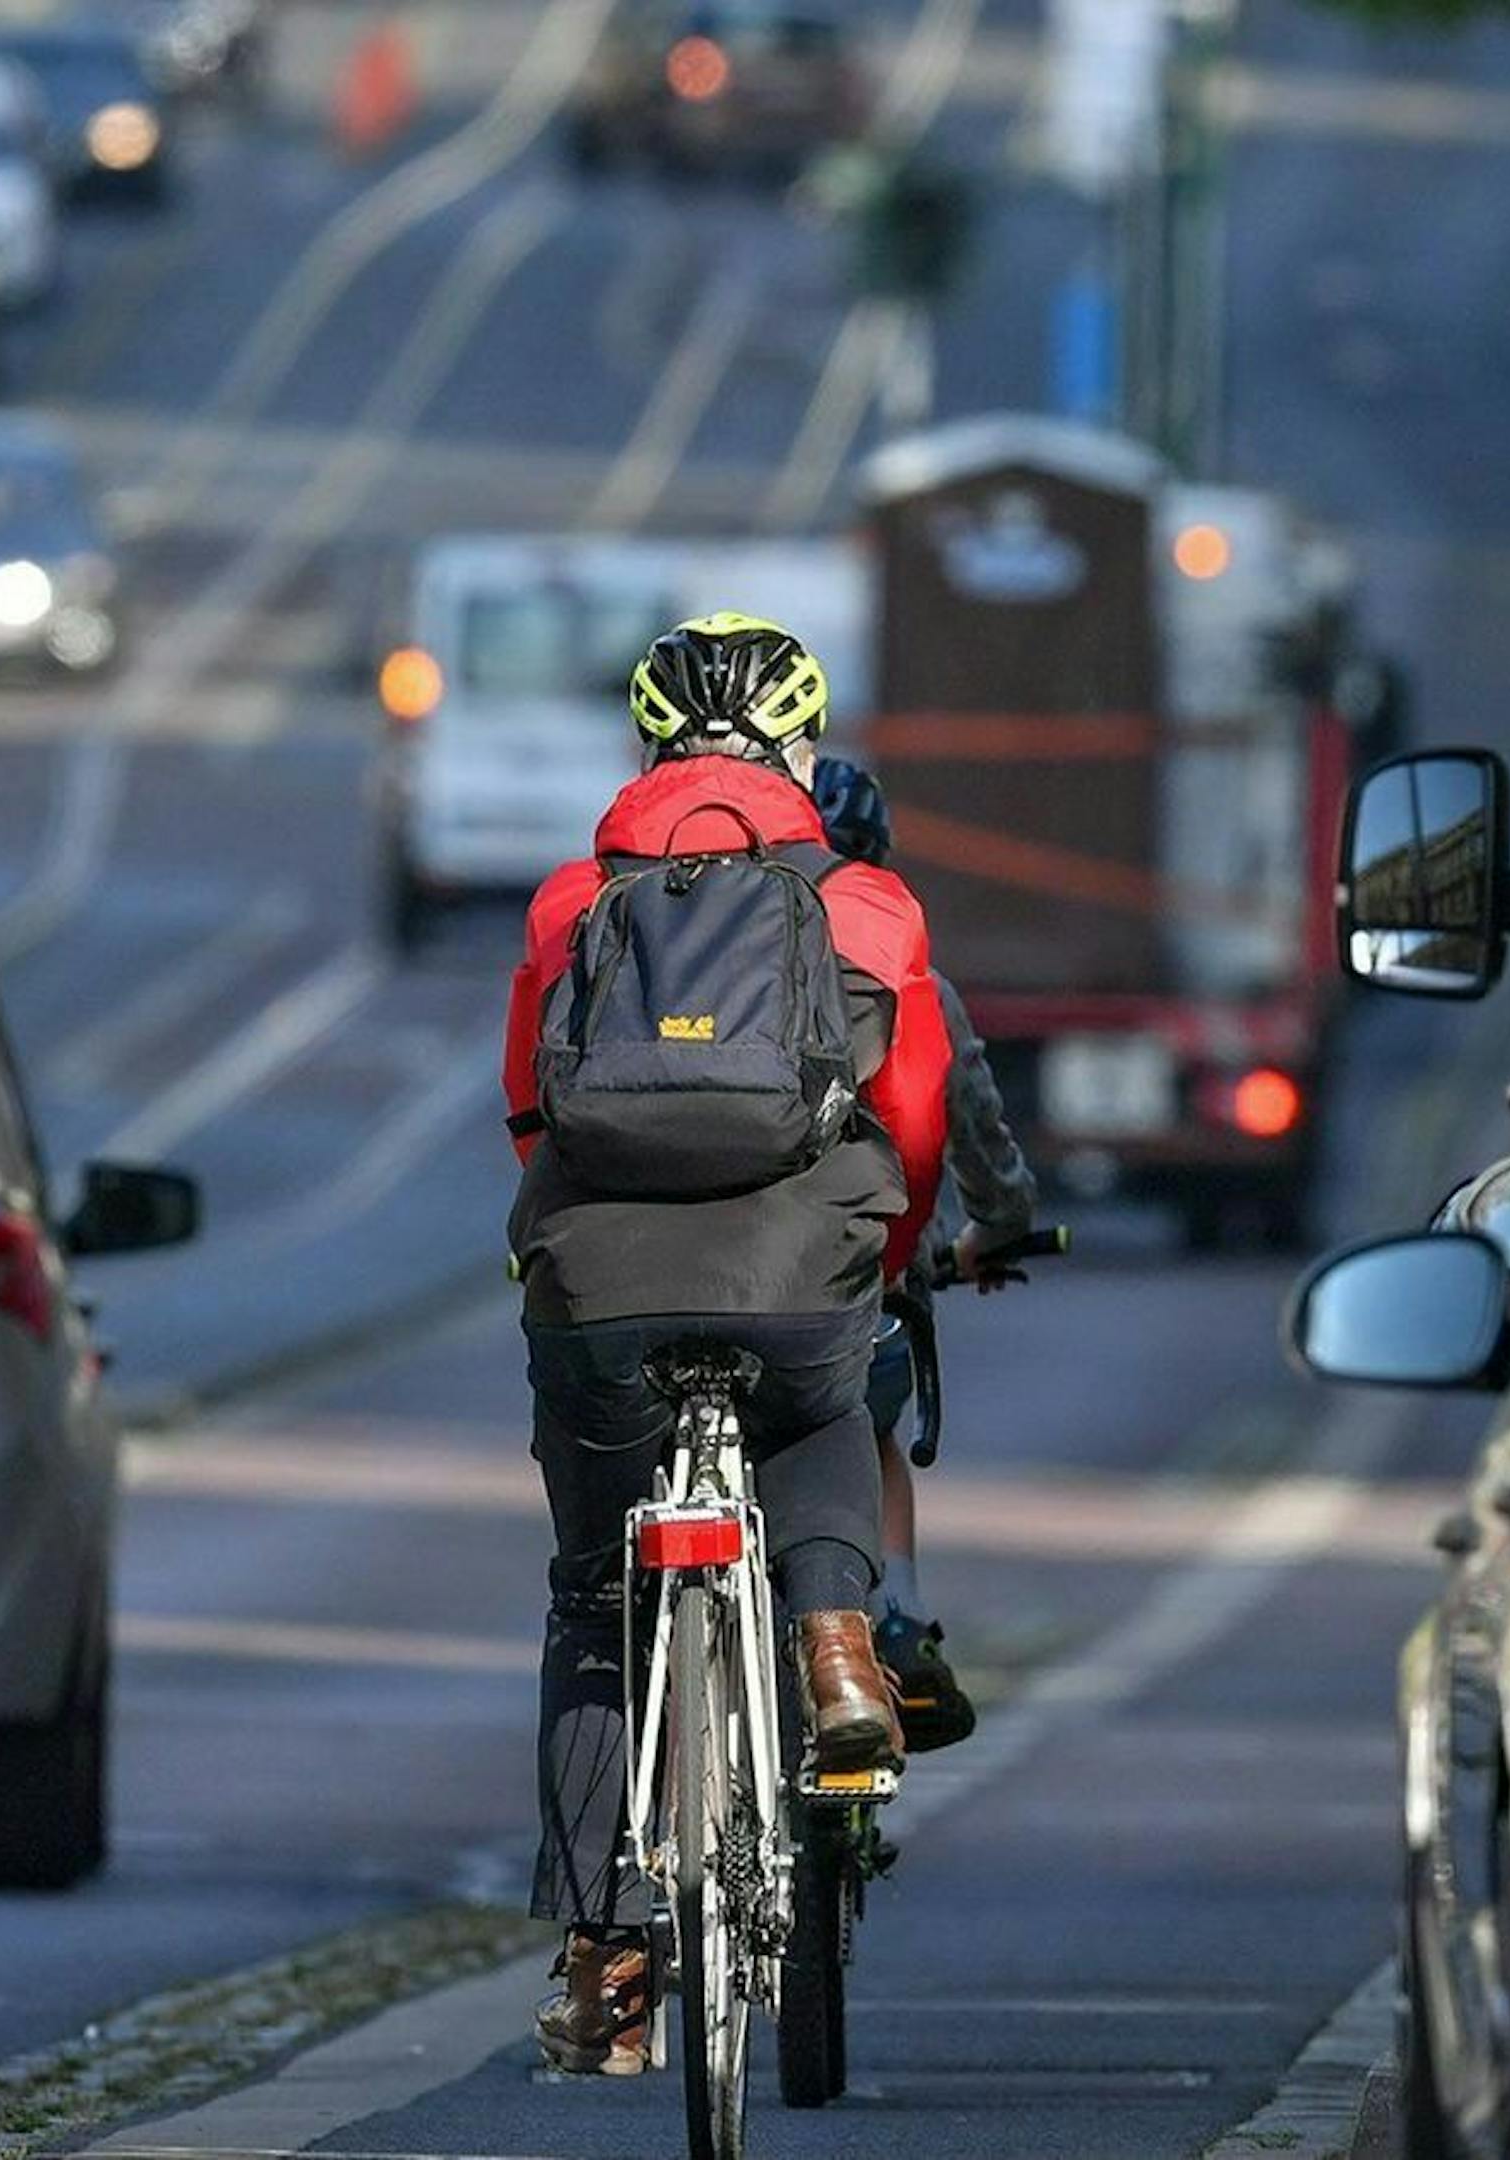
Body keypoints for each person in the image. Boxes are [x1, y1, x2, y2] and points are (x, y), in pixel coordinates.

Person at [502, 615, 949, 2075]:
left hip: (604, 1283)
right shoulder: (868, 905)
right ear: (803, 752)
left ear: (645, 750)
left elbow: (527, 1107)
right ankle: (832, 1658)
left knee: (591, 1604)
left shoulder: (573, 904)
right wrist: (880, 1254)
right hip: (798, 1266)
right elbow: (921, 1121)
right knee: (821, 1415)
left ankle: (608, 1960)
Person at [810, 755, 1041, 1754]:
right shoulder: (913, 984)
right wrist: (994, 1225)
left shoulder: (720, 979)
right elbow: (975, 1131)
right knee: (868, 1436)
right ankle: (893, 1625)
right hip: (862, 1285)